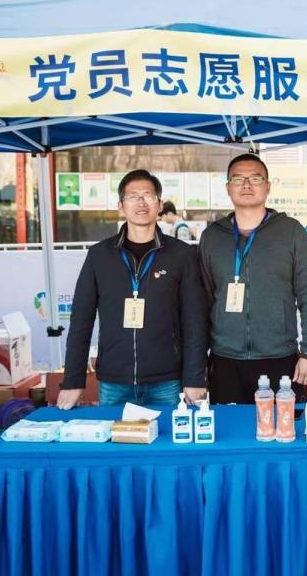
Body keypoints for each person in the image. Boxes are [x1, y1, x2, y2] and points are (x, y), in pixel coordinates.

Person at [57, 169, 208, 409]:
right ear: (121, 206)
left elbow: (195, 321)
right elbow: (80, 322)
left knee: (168, 434)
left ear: (160, 205)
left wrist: (195, 378)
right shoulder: (99, 256)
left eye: (148, 195)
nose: (141, 202)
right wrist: (73, 381)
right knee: (114, 435)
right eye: (133, 196)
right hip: (114, 381)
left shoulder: (182, 254)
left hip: (167, 381)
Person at [198, 153, 307, 404]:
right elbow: (203, 300)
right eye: (238, 179)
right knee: (230, 428)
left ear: (268, 186)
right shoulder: (212, 237)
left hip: (280, 357)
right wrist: (198, 360)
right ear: (228, 187)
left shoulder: (290, 231)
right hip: (225, 359)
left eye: (255, 178)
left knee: (283, 426)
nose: (246, 185)